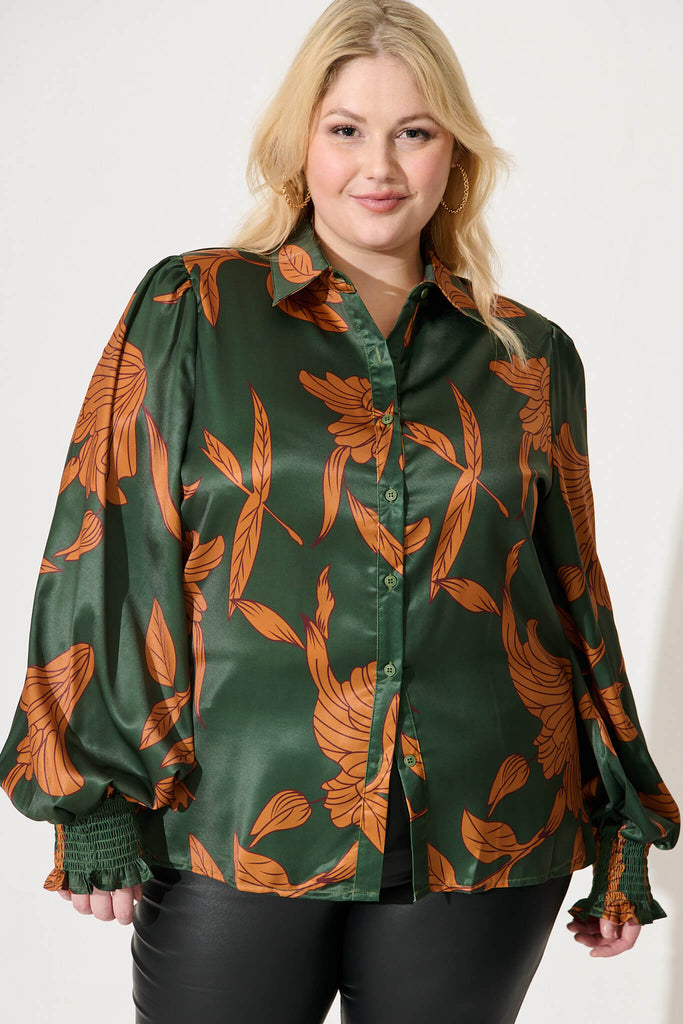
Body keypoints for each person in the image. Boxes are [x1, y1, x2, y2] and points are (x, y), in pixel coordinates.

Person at [0, 0, 679, 1021]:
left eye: (414, 132)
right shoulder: (192, 309)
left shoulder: (528, 357)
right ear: (300, 145)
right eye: (347, 129)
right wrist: (90, 796)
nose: (380, 167)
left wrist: (621, 821)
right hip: (235, 818)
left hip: (485, 832)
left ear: (454, 153)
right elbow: (107, 543)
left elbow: (571, 595)